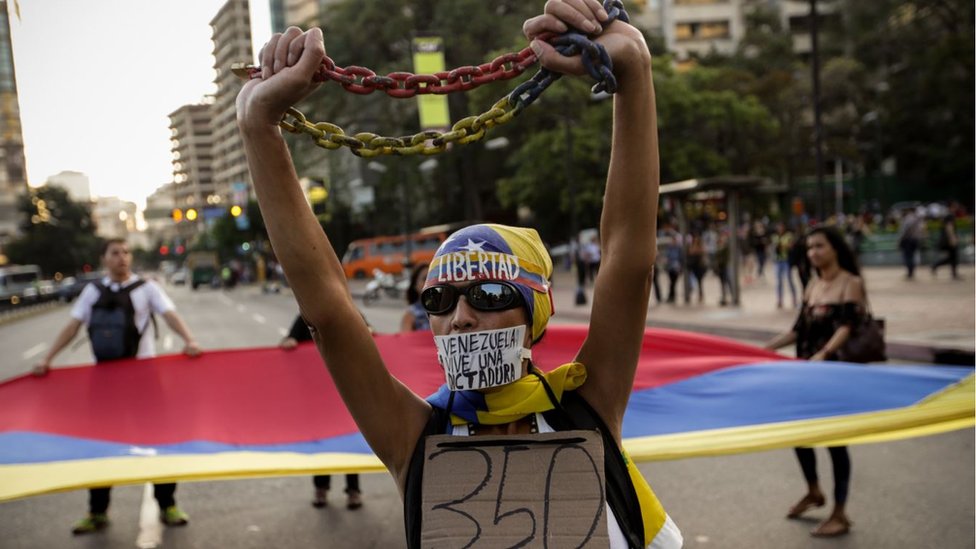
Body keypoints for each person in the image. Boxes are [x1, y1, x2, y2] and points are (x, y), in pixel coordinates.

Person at [236, 2, 681, 546]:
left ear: (536, 311)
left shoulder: (586, 406)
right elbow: (329, 311)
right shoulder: (414, 436)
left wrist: (632, 68)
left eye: (490, 294)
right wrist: (258, 125)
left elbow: (628, 262)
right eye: (440, 300)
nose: (461, 319)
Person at [30, 238, 202, 535]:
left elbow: (169, 314)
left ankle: (167, 504)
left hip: (144, 378)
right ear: (104, 259)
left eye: (125, 253)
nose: (122, 258)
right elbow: (72, 327)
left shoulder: (147, 288)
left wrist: (189, 340)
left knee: (157, 442)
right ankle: (97, 511)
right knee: (99, 446)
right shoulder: (92, 291)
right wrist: (47, 358)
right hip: (105, 381)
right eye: (115, 253)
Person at [764, 226, 867, 538]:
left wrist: (825, 353)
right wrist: (762, 351)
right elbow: (798, 329)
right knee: (799, 434)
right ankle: (814, 490)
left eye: (819, 246)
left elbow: (848, 326)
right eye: (809, 248)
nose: (813, 253)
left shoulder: (851, 283)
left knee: (835, 442)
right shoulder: (812, 286)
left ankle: (840, 512)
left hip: (834, 373)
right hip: (805, 371)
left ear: (835, 248)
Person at [279, 315, 363, 509]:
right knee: (323, 443)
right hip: (317, 396)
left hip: (345, 393)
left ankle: (353, 490)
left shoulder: (348, 313)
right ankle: (321, 488)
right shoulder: (305, 319)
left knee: (348, 442)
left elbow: (368, 333)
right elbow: (288, 340)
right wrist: (289, 342)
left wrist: (368, 331)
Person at [771, 222, 797, 309]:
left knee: (789, 280)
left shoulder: (788, 235)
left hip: (786, 260)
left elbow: (791, 245)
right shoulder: (775, 236)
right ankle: (779, 300)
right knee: (778, 282)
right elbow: (774, 247)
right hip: (778, 260)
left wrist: (783, 246)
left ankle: (794, 299)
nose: (780, 229)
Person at [399, 264, 431, 332]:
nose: (430, 282)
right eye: (425, 278)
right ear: (415, 285)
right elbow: (406, 340)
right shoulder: (410, 314)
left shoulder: (447, 309)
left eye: (432, 277)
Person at [897, 208, 925, 279]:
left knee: (908, 256)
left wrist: (899, 240)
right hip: (915, 240)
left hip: (908, 240)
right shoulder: (918, 219)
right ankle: (911, 271)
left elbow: (904, 231)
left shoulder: (907, 219)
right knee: (912, 256)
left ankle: (910, 272)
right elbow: (921, 229)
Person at [931, 214, 960, 279]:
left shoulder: (944, 224)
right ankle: (936, 265)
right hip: (950, 244)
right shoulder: (949, 224)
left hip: (948, 244)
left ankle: (953, 273)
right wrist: (954, 242)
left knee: (951, 259)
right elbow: (951, 234)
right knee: (952, 258)